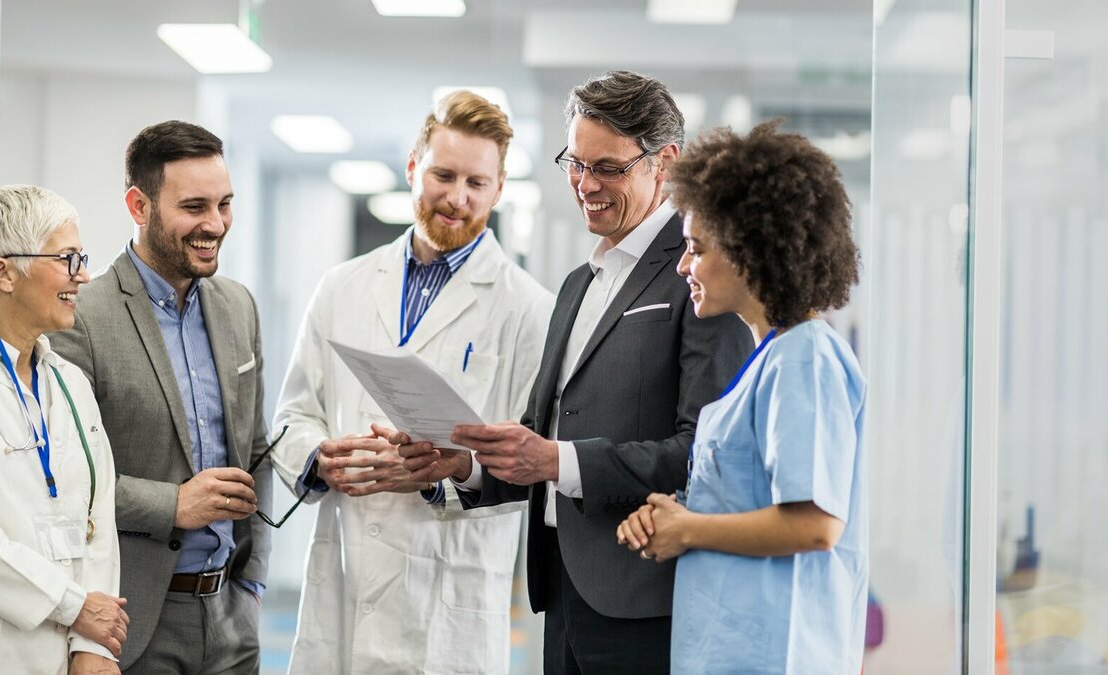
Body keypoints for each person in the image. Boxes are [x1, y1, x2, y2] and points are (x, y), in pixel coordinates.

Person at [399, 71, 751, 673]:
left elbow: (702, 454)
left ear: (663, 161)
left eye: (608, 168)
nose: (586, 185)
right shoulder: (576, 285)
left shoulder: (698, 277)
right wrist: (472, 467)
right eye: (575, 163)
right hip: (562, 591)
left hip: (647, 602)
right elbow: (543, 436)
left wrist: (559, 460)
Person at [269, 90, 553, 674]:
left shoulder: (529, 310)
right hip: (346, 566)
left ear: (498, 190)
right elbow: (292, 415)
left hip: (449, 589)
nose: (457, 197)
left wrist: (453, 466)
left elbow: (531, 467)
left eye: (477, 183)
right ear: (412, 167)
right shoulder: (342, 287)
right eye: (443, 175)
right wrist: (321, 459)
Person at [615, 122, 868, 675]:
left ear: (751, 252)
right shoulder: (768, 359)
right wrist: (676, 516)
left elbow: (815, 525)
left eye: (696, 250)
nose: (684, 266)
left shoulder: (806, 358)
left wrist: (690, 530)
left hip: (778, 655)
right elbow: (747, 498)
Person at [50, 121, 271, 674]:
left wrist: (253, 583)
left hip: (231, 617)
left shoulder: (238, 307)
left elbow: (258, 449)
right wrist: (174, 506)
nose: (215, 224)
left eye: (224, 204)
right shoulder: (82, 317)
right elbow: (61, 479)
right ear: (139, 205)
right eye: (194, 206)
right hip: (134, 619)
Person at [0, 185, 127, 674]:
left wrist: (93, 646)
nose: (84, 276)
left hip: (72, 651)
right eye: (67, 259)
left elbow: (99, 519)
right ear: (3, 272)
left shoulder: (69, 384)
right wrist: (71, 605)